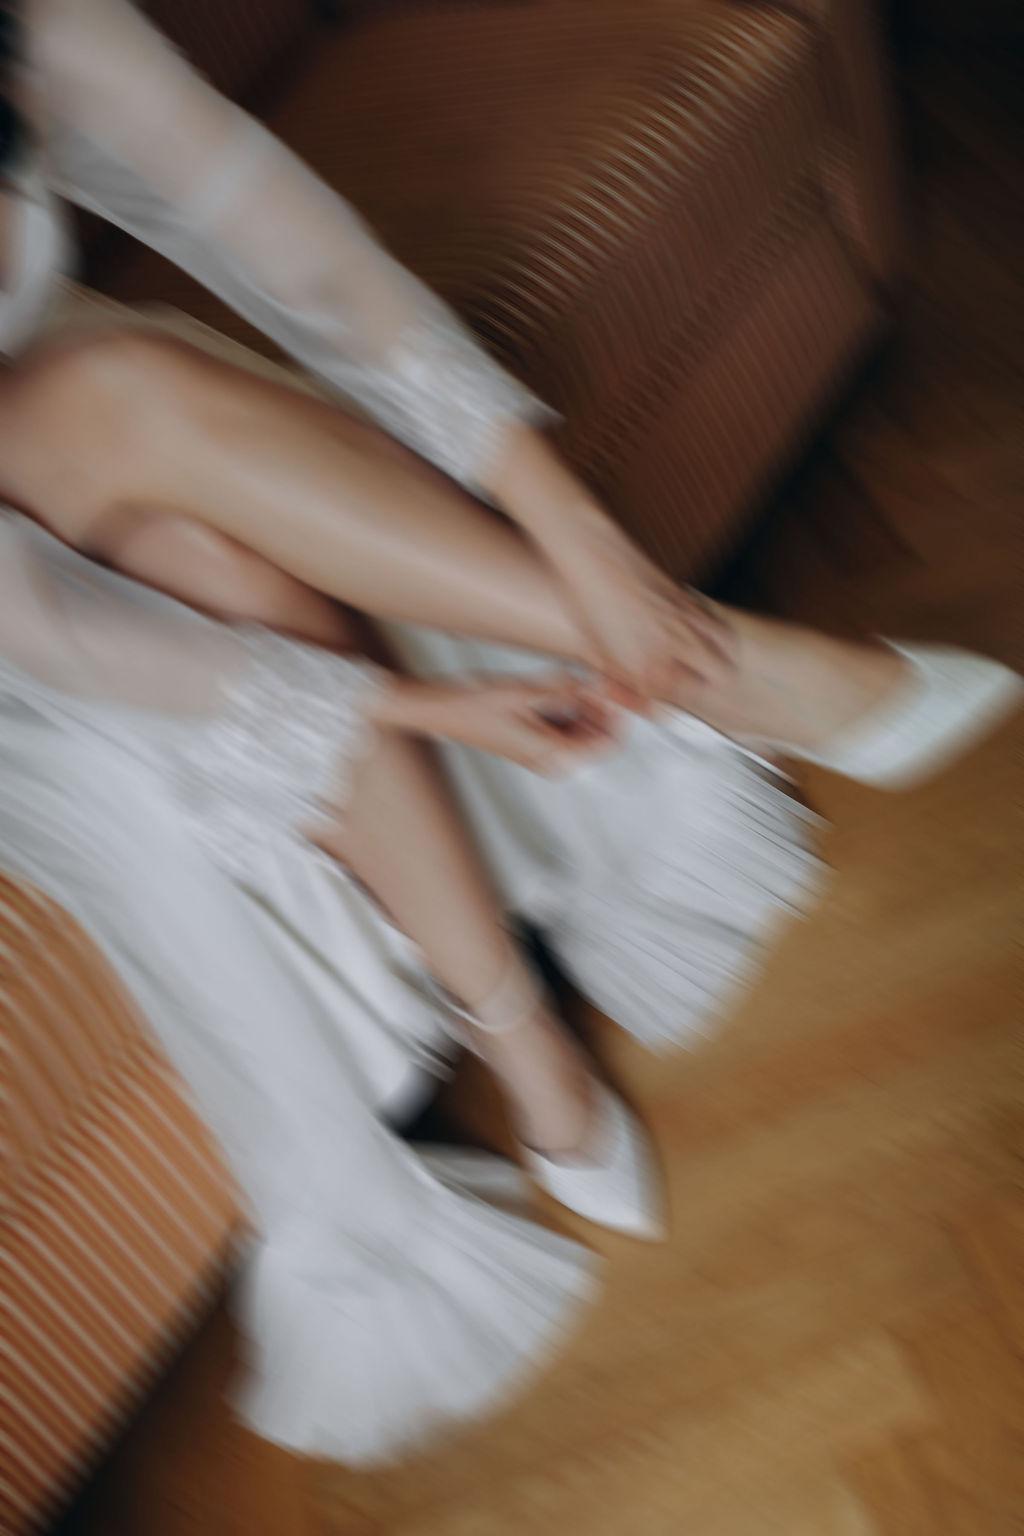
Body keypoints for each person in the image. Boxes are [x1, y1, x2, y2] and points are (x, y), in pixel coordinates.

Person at [1, 0, 1020, 1464]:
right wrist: (419, 699)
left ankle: (616, 832)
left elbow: (279, 233)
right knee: (122, 409)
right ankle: (708, 695)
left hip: (77, 416)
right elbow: (45, 627)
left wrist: (583, 537)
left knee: (179, 496)